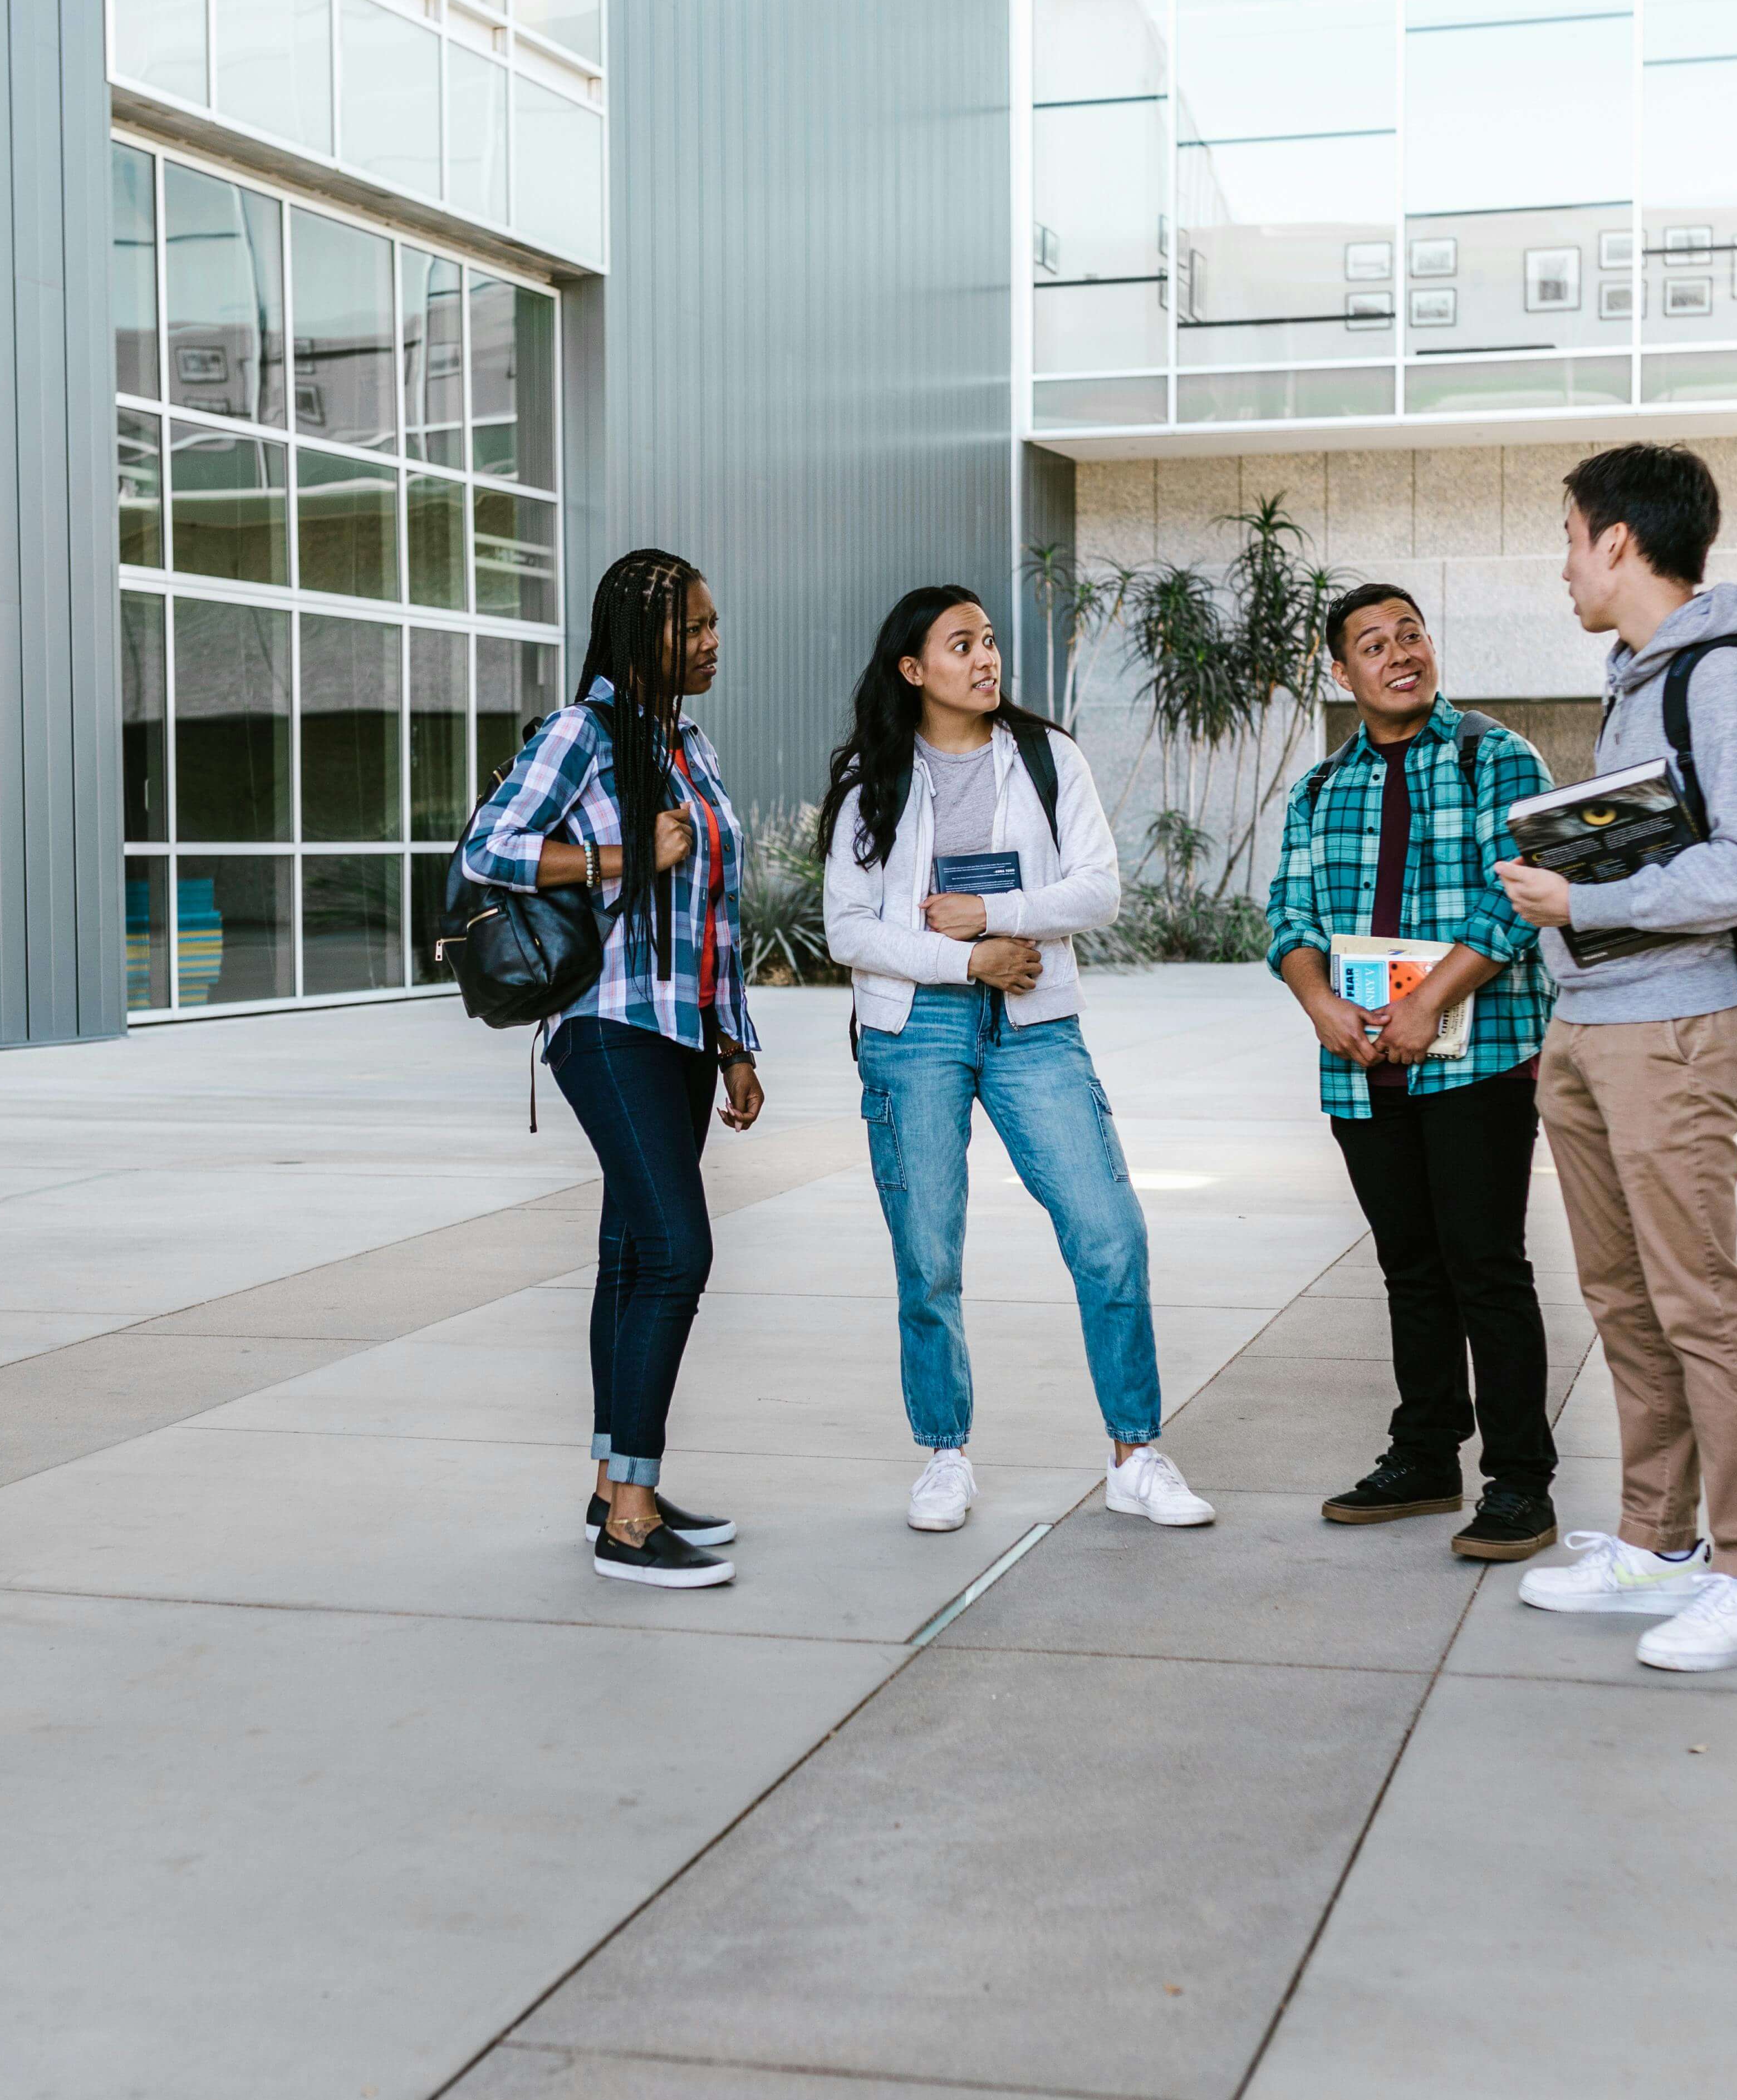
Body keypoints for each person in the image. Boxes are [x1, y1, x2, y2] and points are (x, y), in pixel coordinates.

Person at [1494, 443, 1737, 1671]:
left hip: (1671, 1026)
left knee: (1699, 1302)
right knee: (1621, 1298)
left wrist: (1586, 906)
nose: (1564, 565)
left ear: (1617, 539)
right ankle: (1656, 1539)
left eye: (1570, 536)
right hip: (1593, 1024)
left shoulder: (1725, 675)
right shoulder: (1638, 675)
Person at [819, 585, 1216, 1536]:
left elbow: (1098, 890)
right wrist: (968, 960)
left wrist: (995, 917)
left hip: (1036, 1024)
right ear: (913, 670)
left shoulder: (1046, 756)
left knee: (1108, 1230)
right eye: (962, 645)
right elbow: (846, 928)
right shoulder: (870, 776)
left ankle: (1134, 1455)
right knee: (928, 1253)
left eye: (990, 641)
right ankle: (944, 1455)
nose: (986, 658)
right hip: (914, 1031)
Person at [461, 549, 763, 1589]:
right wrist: (620, 854)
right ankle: (628, 1523)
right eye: (695, 628)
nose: (713, 642)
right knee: (677, 1253)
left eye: (714, 624)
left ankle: (612, 1482)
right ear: (642, 639)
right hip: (607, 1024)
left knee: (635, 1257)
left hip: (681, 1032)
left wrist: (734, 1043)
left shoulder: (687, 743)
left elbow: (716, 911)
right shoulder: (577, 736)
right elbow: (487, 850)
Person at [1264, 583, 1562, 1563]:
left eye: (1412, 634)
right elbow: (1290, 917)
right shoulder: (1316, 790)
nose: (1400, 654)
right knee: (1409, 1269)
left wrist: (1430, 997)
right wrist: (1319, 1004)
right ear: (1338, 671)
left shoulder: (1492, 757)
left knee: (1486, 1268)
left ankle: (1519, 1482)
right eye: (1372, 644)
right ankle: (1426, 1454)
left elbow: (1516, 900)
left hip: (1476, 1058)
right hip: (1362, 1068)